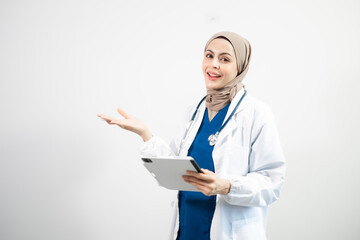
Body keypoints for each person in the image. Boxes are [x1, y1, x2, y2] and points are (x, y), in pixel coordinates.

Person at [97, 31, 286, 240]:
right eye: (208, 55)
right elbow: (178, 167)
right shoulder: (194, 111)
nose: (213, 64)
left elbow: (272, 182)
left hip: (227, 232)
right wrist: (145, 133)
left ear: (240, 66)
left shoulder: (256, 113)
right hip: (187, 228)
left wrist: (227, 186)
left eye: (224, 59)